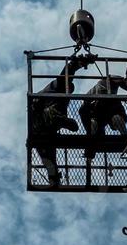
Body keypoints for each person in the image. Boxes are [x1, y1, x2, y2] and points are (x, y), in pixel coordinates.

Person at [30, 53, 94, 187]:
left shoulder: (61, 100)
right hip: (43, 118)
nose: (69, 93)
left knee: (47, 151)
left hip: (44, 129)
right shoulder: (55, 89)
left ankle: (53, 177)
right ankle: (52, 118)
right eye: (69, 91)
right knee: (46, 146)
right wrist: (74, 64)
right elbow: (65, 76)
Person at [79, 73, 127, 157]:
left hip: (110, 109)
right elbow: (83, 109)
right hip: (100, 112)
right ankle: (92, 140)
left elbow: (122, 82)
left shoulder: (108, 81)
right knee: (95, 124)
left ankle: (124, 135)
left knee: (115, 118)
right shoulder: (95, 91)